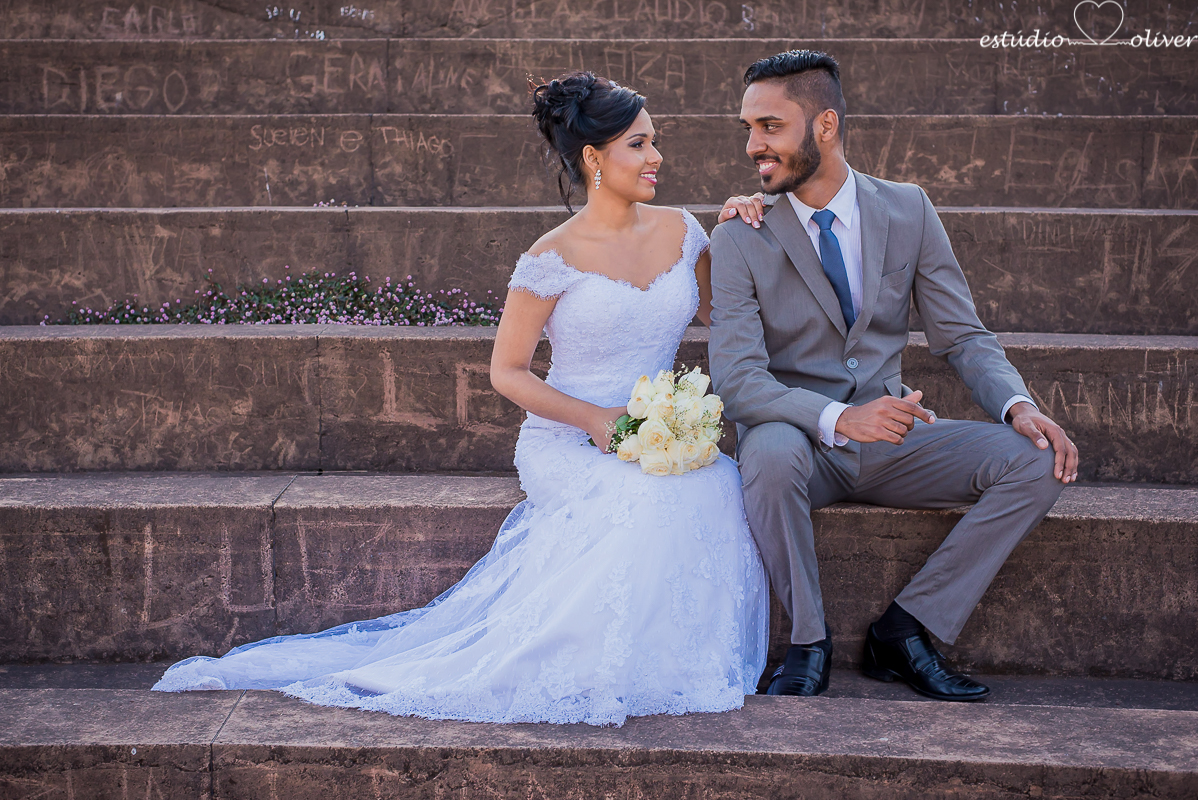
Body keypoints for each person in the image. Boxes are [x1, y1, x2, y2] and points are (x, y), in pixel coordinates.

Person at [152, 71, 770, 728]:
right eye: (639, 145)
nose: (657, 158)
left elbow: (716, 312)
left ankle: (668, 665)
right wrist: (593, 419)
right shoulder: (550, 257)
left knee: (709, 484)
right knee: (638, 499)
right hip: (567, 437)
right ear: (594, 157)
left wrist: (738, 228)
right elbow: (508, 372)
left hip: (657, 429)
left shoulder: (684, 232)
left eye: (654, 142)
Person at [708, 50, 1079, 702]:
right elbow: (737, 380)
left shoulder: (908, 210)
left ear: (824, 125)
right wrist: (837, 417)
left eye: (768, 126)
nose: (751, 145)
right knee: (764, 451)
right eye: (747, 127)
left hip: (891, 440)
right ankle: (806, 641)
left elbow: (961, 336)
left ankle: (907, 629)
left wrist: (1018, 406)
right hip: (799, 442)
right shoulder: (743, 235)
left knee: (1038, 458)